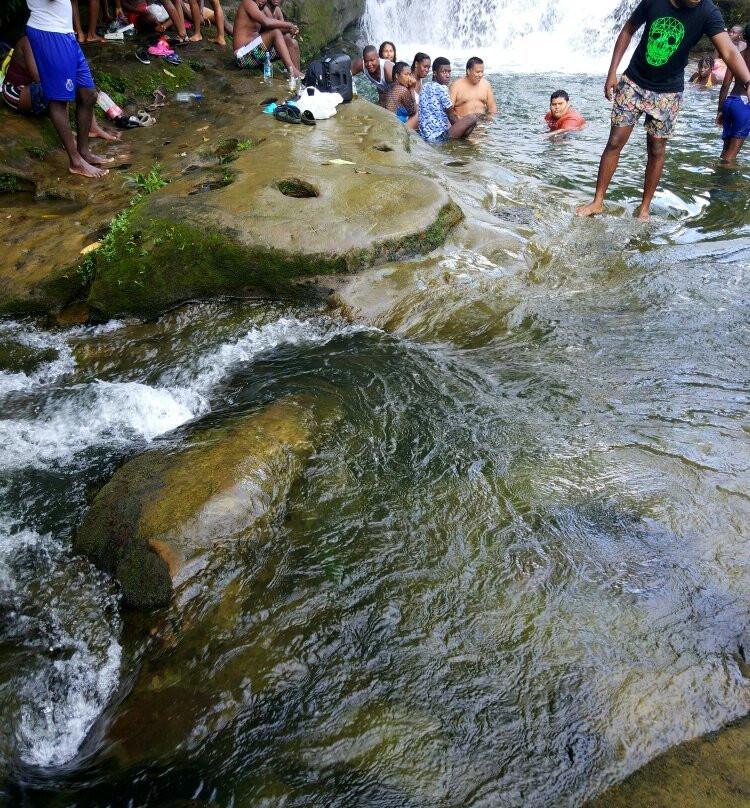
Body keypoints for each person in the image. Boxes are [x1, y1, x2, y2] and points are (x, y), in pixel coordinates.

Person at [577, 0, 750, 221]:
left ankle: (644, 209)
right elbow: (628, 29)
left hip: (668, 92)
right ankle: (598, 201)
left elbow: (729, 51)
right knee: (615, 141)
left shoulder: (707, 10)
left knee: (657, 148)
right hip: (633, 82)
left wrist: (747, 82)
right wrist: (612, 72)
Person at [24, 0, 115, 178]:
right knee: (58, 100)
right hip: (48, 33)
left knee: (88, 95)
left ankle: (84, 152)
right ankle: (75, 162)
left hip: (64, 32)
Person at [1, 35, 120, 141]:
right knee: (62, 84)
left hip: (37, 90)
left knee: (78, 80)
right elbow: (38, 77)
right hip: (16, 92)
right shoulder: (28, 41)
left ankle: (93, 127)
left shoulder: (55, 41)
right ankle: (67, 139)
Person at [232, 0, 302, 77]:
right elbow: (267, 22)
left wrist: (291, 29)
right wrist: (289, 25)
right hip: (243, 57)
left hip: (254, 51)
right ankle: (293, 71)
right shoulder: (248, 3)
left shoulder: (261, 8)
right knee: (275, 32)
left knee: (291, 42)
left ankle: (298, 78)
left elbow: (275, 27)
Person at [418, 56, 478, 142]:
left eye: (449, 72)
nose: (448, 75)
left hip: (425, 136)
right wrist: (464, 127)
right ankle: (461, 141)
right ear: (434, 73)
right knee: (472, 118)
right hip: (438, 138)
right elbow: (452, 117)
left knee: (460, 119)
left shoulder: (425, 86)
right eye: (444, 72)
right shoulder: (442, 88)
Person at [716, 22, 750, 161]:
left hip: (730, 102)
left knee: (726, 149)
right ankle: (725, 182)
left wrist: (720, 110)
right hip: (744, 104)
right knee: (732, 154)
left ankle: (718, 179)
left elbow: (725, 85)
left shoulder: (737, 56)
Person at [380, 61, 417, 127]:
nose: (409, 78)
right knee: (419, 111)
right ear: (397, 75)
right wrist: (412, 88)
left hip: (385, 122)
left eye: (410, 74)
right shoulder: (402, 90)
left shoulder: (386, 88)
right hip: (396, 126)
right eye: (406, 74)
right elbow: (413, 110)